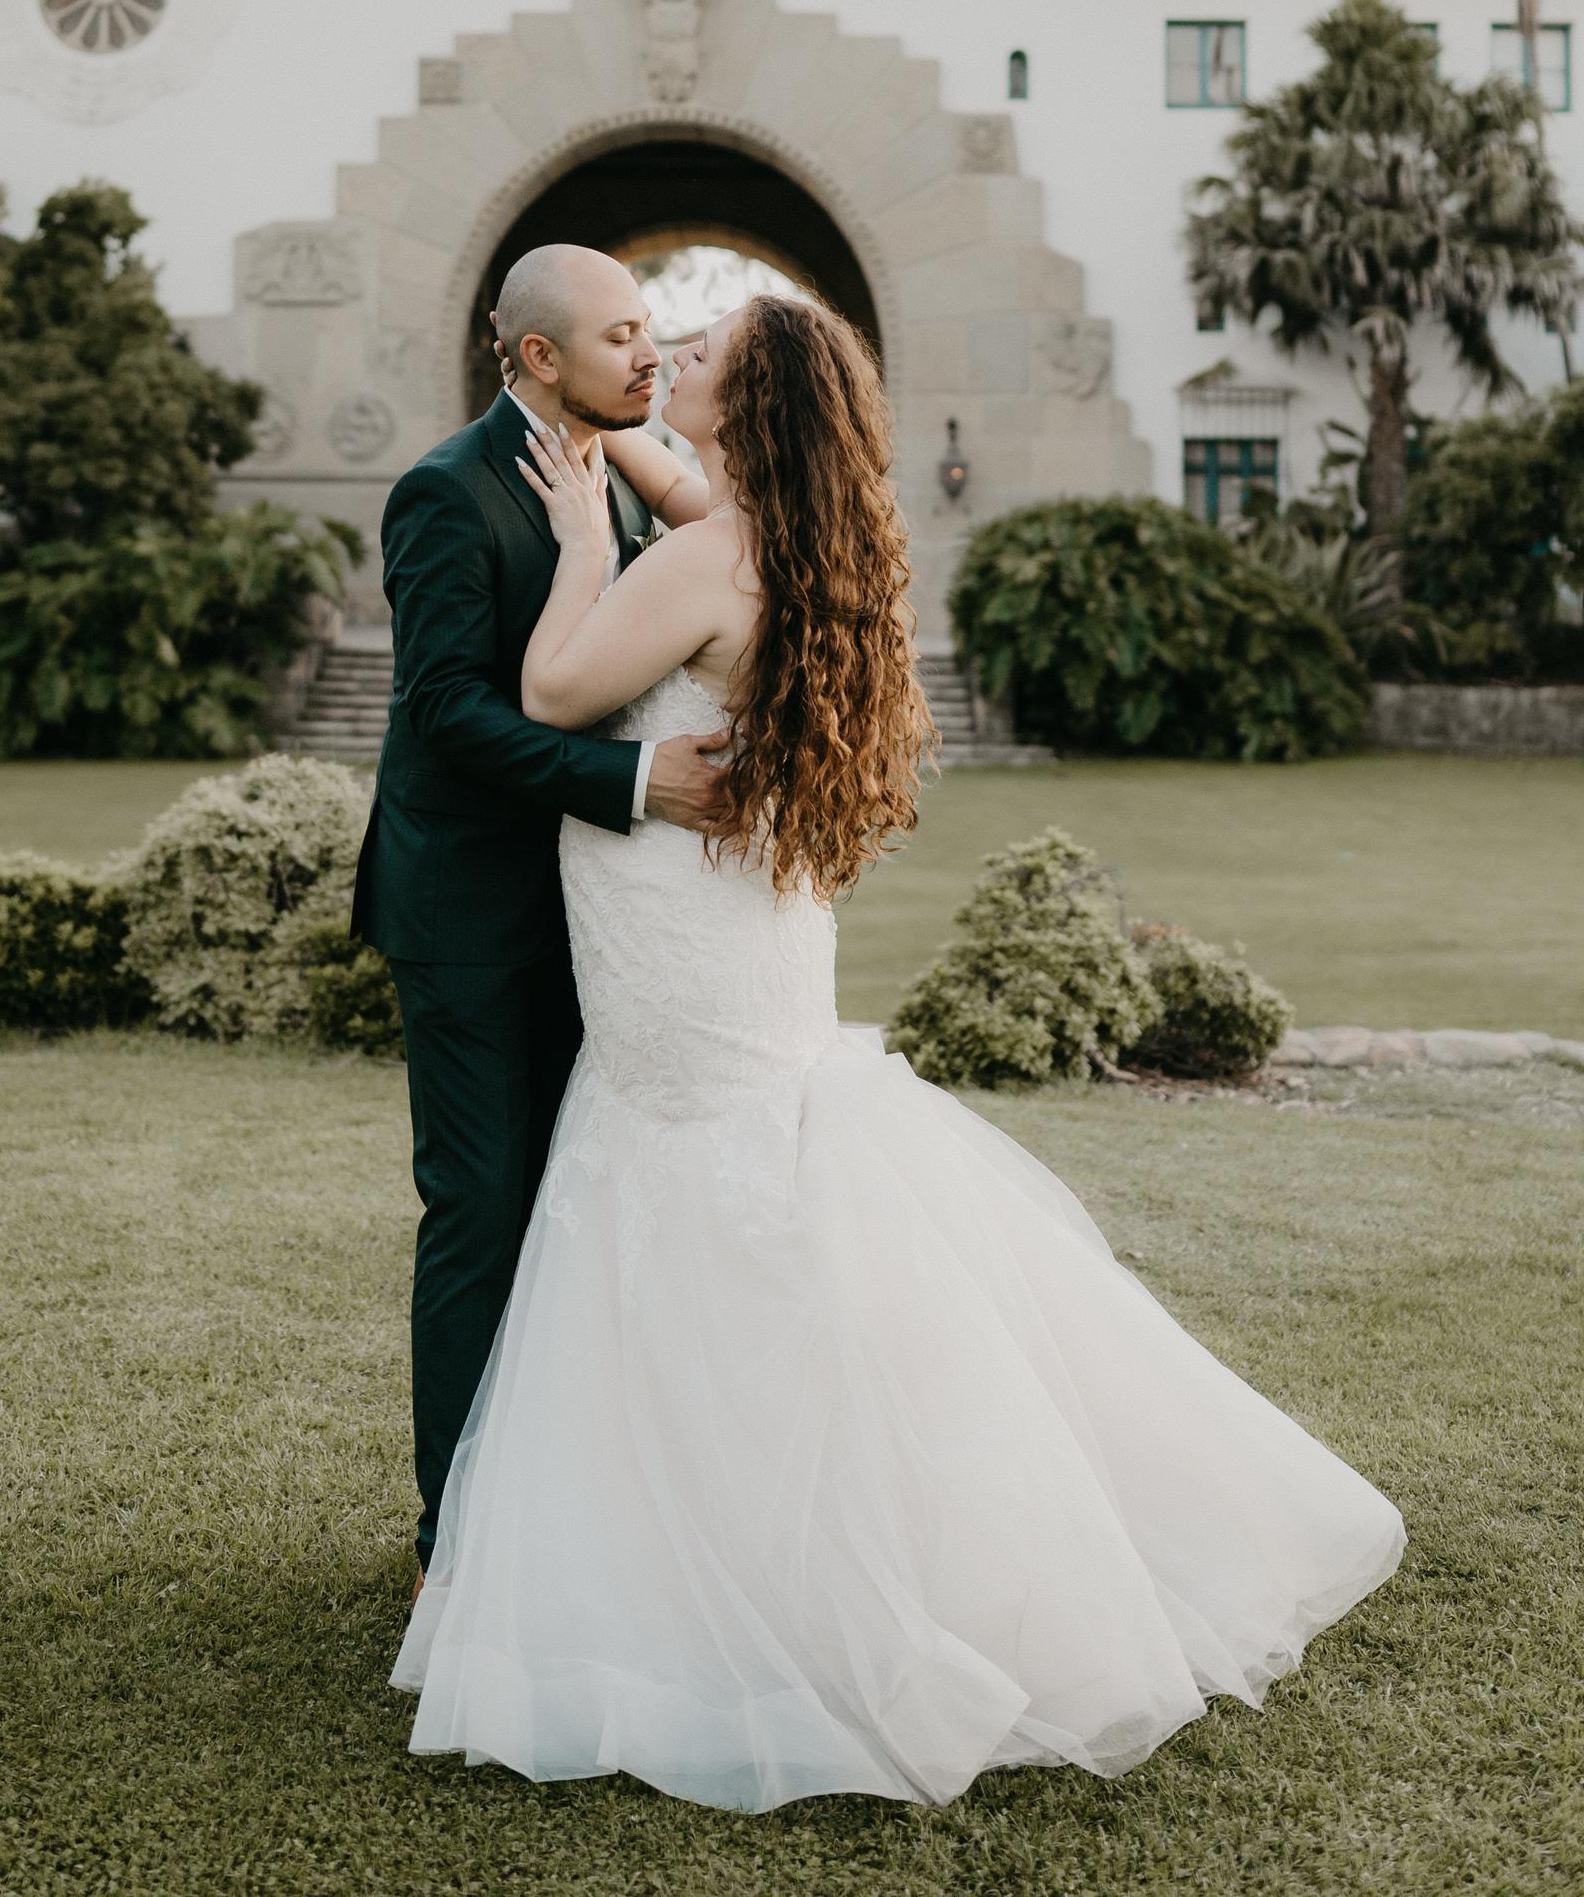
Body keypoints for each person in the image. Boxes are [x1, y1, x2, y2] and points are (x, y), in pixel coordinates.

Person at [392, 289, 1405, 1813]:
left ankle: (726, 1574)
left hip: (680, 937)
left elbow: (548, 694)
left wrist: (593, 545)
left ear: (747, 408)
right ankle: (760, 1536)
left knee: (687, 1196)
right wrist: (649, 478)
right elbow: (692, 482)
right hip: (752, 939)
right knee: (766, 1185)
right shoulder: (811, 541)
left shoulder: (693, 562)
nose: (674, 359)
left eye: (704, 359)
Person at [352, 244, 731, 1591]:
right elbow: (446, 713)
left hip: (600, 919)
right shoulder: (447, 493)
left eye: (652, 329)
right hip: (466, 911)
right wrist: (632, 778)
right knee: (480, 1210)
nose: (649, 354)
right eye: (622, 333)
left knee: (577, 1205)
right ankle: (455, 1540)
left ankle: (564, 1502)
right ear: (535, 358)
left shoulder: (615, 472)